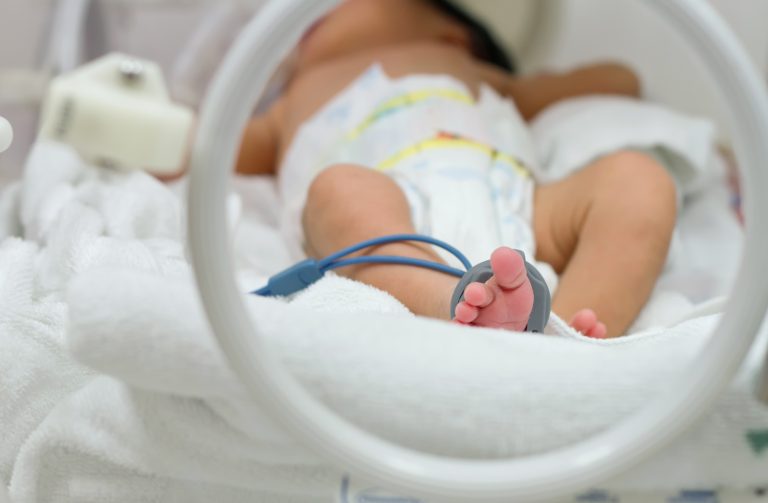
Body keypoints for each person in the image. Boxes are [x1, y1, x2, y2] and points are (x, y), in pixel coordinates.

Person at [235, 0, 677, 338]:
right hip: (387, 211)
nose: (312, 19)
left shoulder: (475, 72)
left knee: (637, 180)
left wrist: (513, 78)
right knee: (339, 191)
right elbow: (214, 148)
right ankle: (450, 303)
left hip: (512, 195)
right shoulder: (292, 99)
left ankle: (565, 337)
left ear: (454, 34)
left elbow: (621, 80)